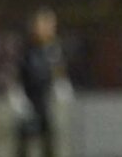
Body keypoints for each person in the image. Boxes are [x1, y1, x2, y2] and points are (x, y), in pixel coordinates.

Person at [7, 8, 73, 157]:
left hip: (46, 104)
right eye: (44, 25)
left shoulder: (54, 49)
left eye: (51, 25)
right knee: (23, 146)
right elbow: (16, 75)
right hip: (28, 103)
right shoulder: (26, 49)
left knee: (49, 144)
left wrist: (62, 85)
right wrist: (18, 97)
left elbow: (59, 71)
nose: (49, 29)